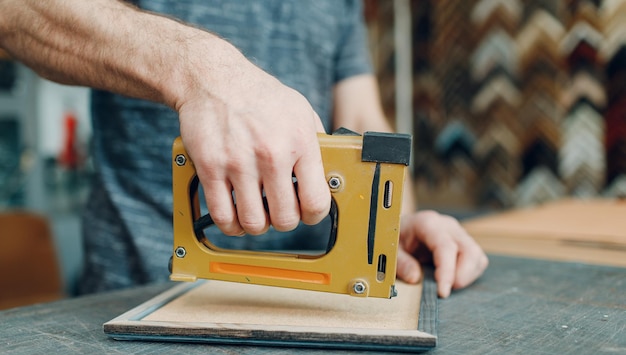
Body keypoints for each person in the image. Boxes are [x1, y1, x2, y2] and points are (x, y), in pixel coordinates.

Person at [0, 0, 488, 298]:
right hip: (143, 293)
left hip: (315, 306)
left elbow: (361, 120)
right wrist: (201, 70)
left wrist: (393, 227)